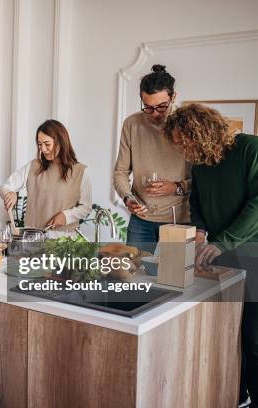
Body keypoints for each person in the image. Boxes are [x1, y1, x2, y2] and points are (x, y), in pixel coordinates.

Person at [165, 103, 258, 407]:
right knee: (225, 334)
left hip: (252, 255)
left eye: (183, 141)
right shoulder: (201, 163)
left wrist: (224, 241)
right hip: (220, 257)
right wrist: (201, 231)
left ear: (200, 132)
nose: (181, 149)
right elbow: (199, 204)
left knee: (254, 340)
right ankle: (237, 395)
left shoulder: (249, 149)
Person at [113, 64, 191, 255]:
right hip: (141, 222)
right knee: (134, 278)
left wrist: (176, 187)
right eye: (148, 108)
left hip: (179, 221)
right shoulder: (132, 124)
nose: (155, 113)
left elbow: (206, 179)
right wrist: (128, 198)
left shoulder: (188, 125)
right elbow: (120, 172)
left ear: (173, 97)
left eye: (162, 106)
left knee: (174, 281)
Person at [0, 119, 91, 238]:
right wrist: (9, 193)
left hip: (64, 241)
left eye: (47, 144)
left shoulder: (80, 171)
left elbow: (86, 207)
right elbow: (4, 187)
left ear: (61, 142)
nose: (42, 149)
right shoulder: (33, 166)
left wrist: (66, 216)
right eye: (39, 144)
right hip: (33, 239)